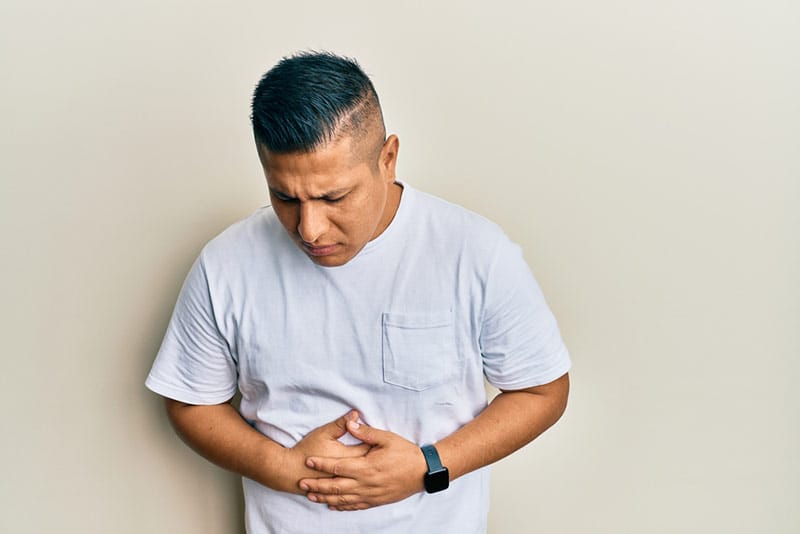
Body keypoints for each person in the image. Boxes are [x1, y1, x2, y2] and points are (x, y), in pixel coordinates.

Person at [146, 51, 571, 533]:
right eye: (284, 197)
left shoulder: (474, 252)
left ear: (387, 159)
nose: (309, 228)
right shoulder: (226, 262)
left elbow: (542, 390)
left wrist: (430, 465)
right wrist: (281, 468)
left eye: (333, 197)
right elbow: (190, 401)